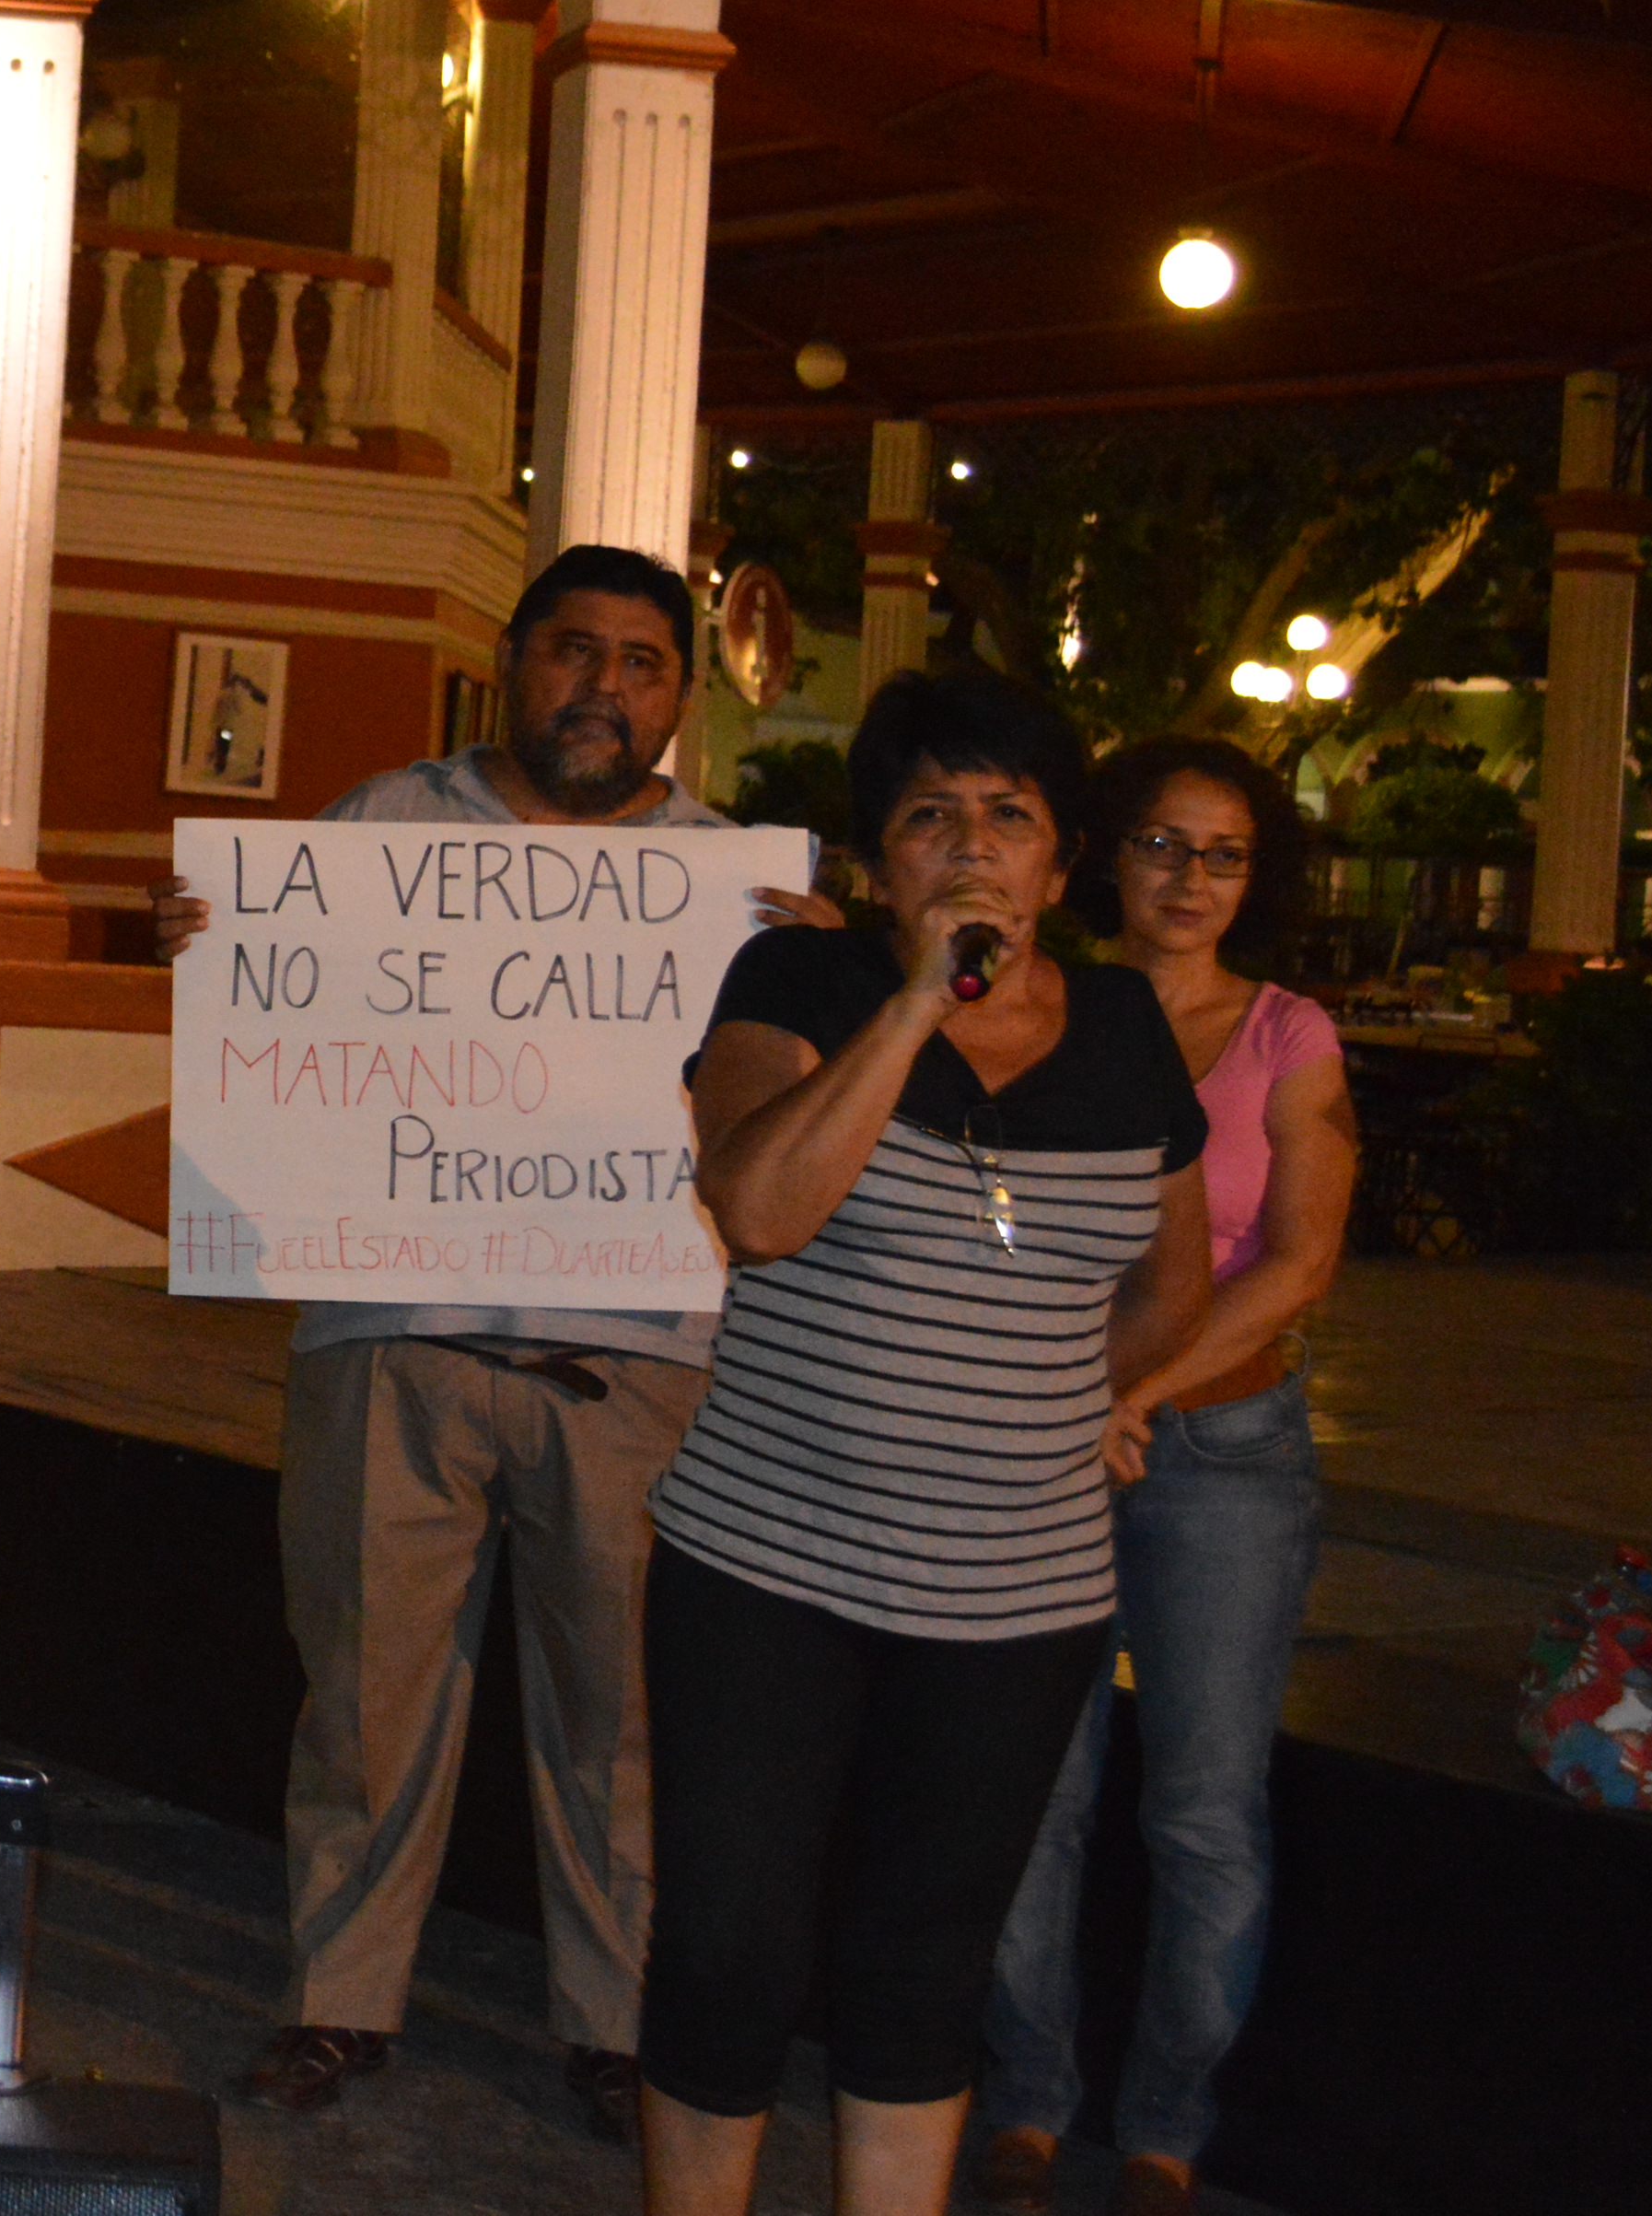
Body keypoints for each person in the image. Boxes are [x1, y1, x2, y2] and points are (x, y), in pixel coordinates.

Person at [146, 543, 829, 2144]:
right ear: (513, 665)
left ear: (679, 698)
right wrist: (210, 948)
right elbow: (280, 1023)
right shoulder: (377, 828)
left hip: (642, 1364)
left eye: (641, 663)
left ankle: (619, 2026)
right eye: (572, 651)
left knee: (627, 1719)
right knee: (363, 1697)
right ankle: (339, 2001)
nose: (603, 687)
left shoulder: (739, 886)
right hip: (391, 1342)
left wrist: (829, 972)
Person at [644, 669, 1216, 2216]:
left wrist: (1060, 1401)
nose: (971, 844)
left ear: (1059, 864)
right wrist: (914, 1003)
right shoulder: (796, 984)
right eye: (928, 816)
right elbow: (760, 1211)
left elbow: (1172, 1285)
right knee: (728, 1949)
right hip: (767, 1570)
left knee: (923, 1959)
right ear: (877, 861)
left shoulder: (1123, 1027)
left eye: (1008, 815)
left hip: (1016, 1602)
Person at [977, 739, 1355, 2216]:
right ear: (1105, 856)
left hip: (1224, 1455)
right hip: (1046, 1445)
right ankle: (1024, 2108)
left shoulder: (1288, 1036)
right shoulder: (1045, 1009)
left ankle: (1165, 2135)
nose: (1191, 878)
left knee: (1202, 1811)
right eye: (1160, 843)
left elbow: (1300, 1263)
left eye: (1225, 853)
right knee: (1030, 1794)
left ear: (1258, 877)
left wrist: (1132, 1391)